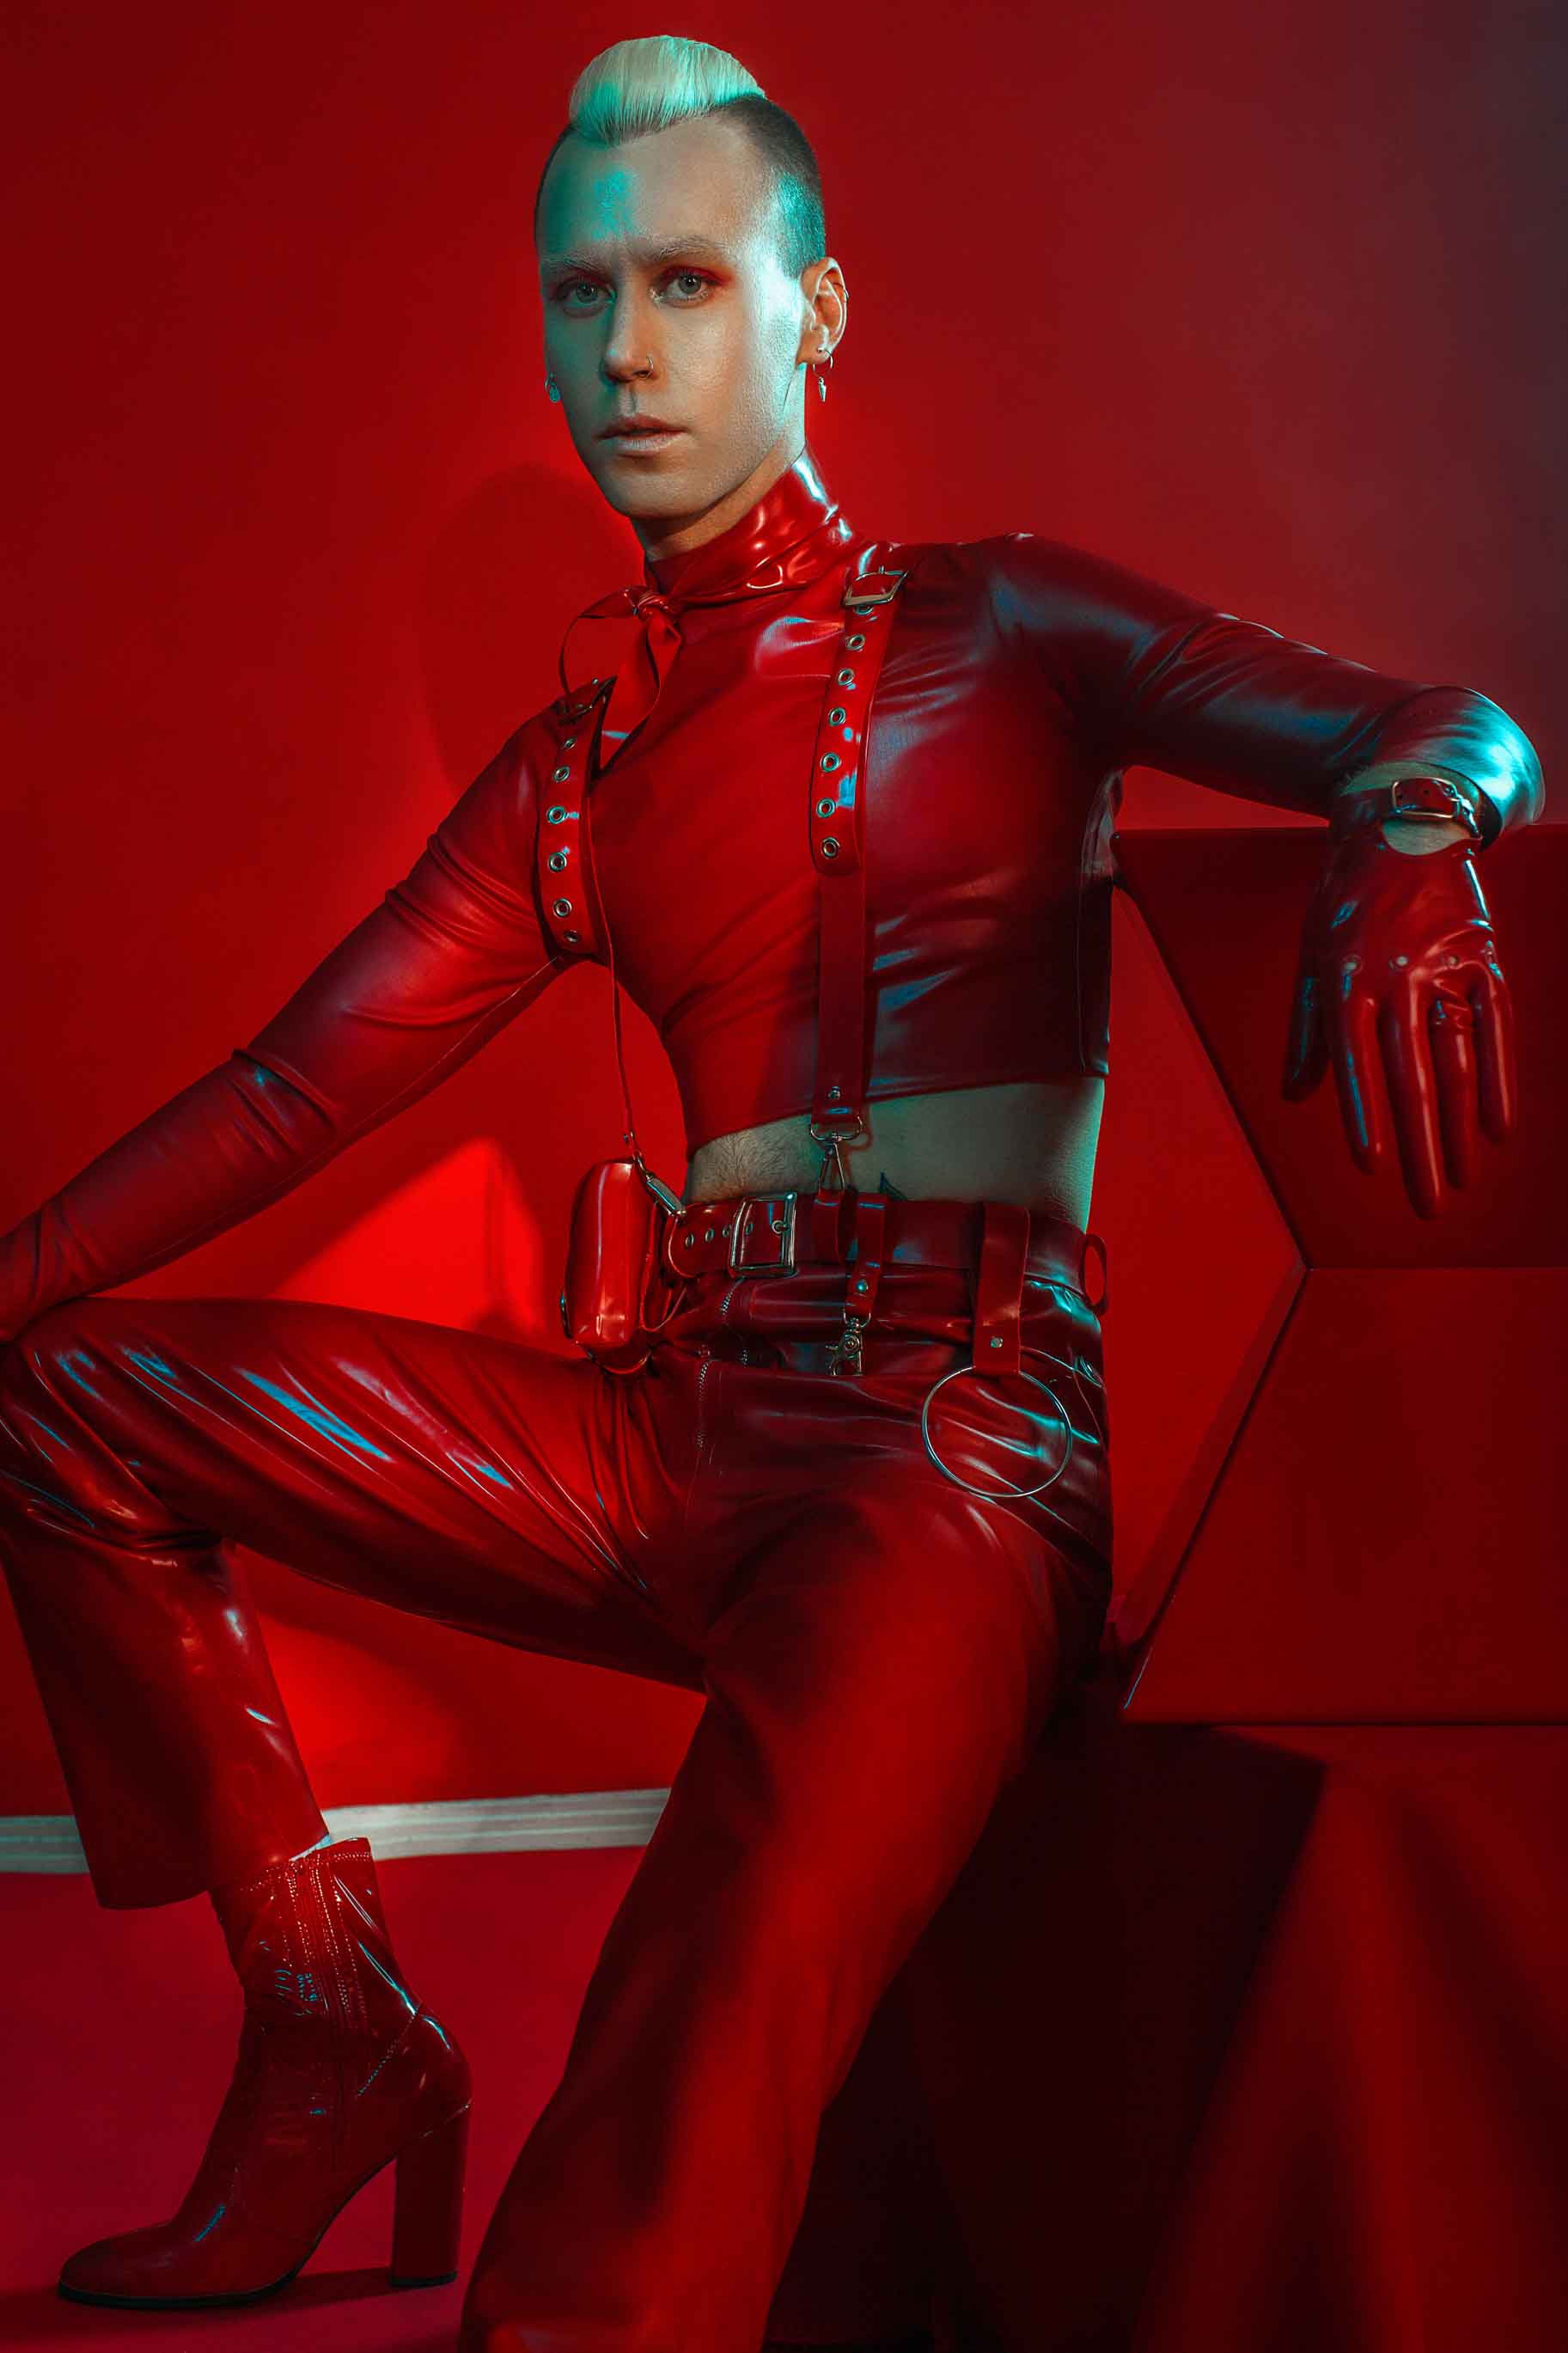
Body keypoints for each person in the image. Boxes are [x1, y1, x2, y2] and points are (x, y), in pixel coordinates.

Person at [0, 31, 1542, 2353]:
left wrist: (1419, 832)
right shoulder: (575, 772)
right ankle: (332, 2026)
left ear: (815, 311)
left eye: (688, 283)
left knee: (689, 2029)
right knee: (62, 1396)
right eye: (581, 291)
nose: (625, 350)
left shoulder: (1006, 629)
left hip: (950, 1457)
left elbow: (1442, 721)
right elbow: (289, 1090)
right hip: (662, 1444)